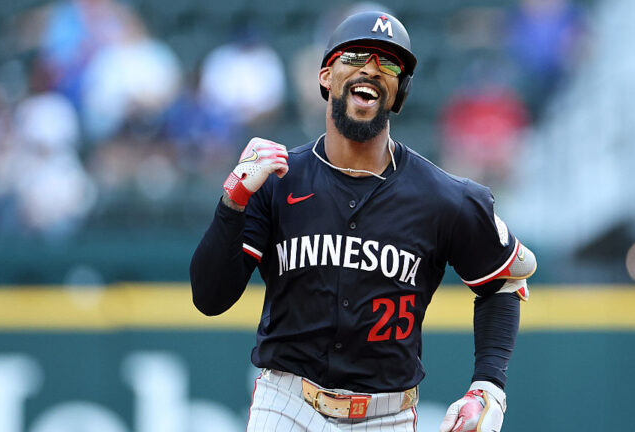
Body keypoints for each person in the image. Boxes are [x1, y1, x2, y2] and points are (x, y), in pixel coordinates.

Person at [190, 11, 536, 432]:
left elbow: (503, 281)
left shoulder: (444, 196)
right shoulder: (278, 179)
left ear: (399, 92)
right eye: (355, 55)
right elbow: (210, 298)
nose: (371, 68)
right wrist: (232, 202)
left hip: (386, 414)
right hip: (287, 402)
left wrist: (488, 386)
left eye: (389, 63)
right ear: (325, 76)